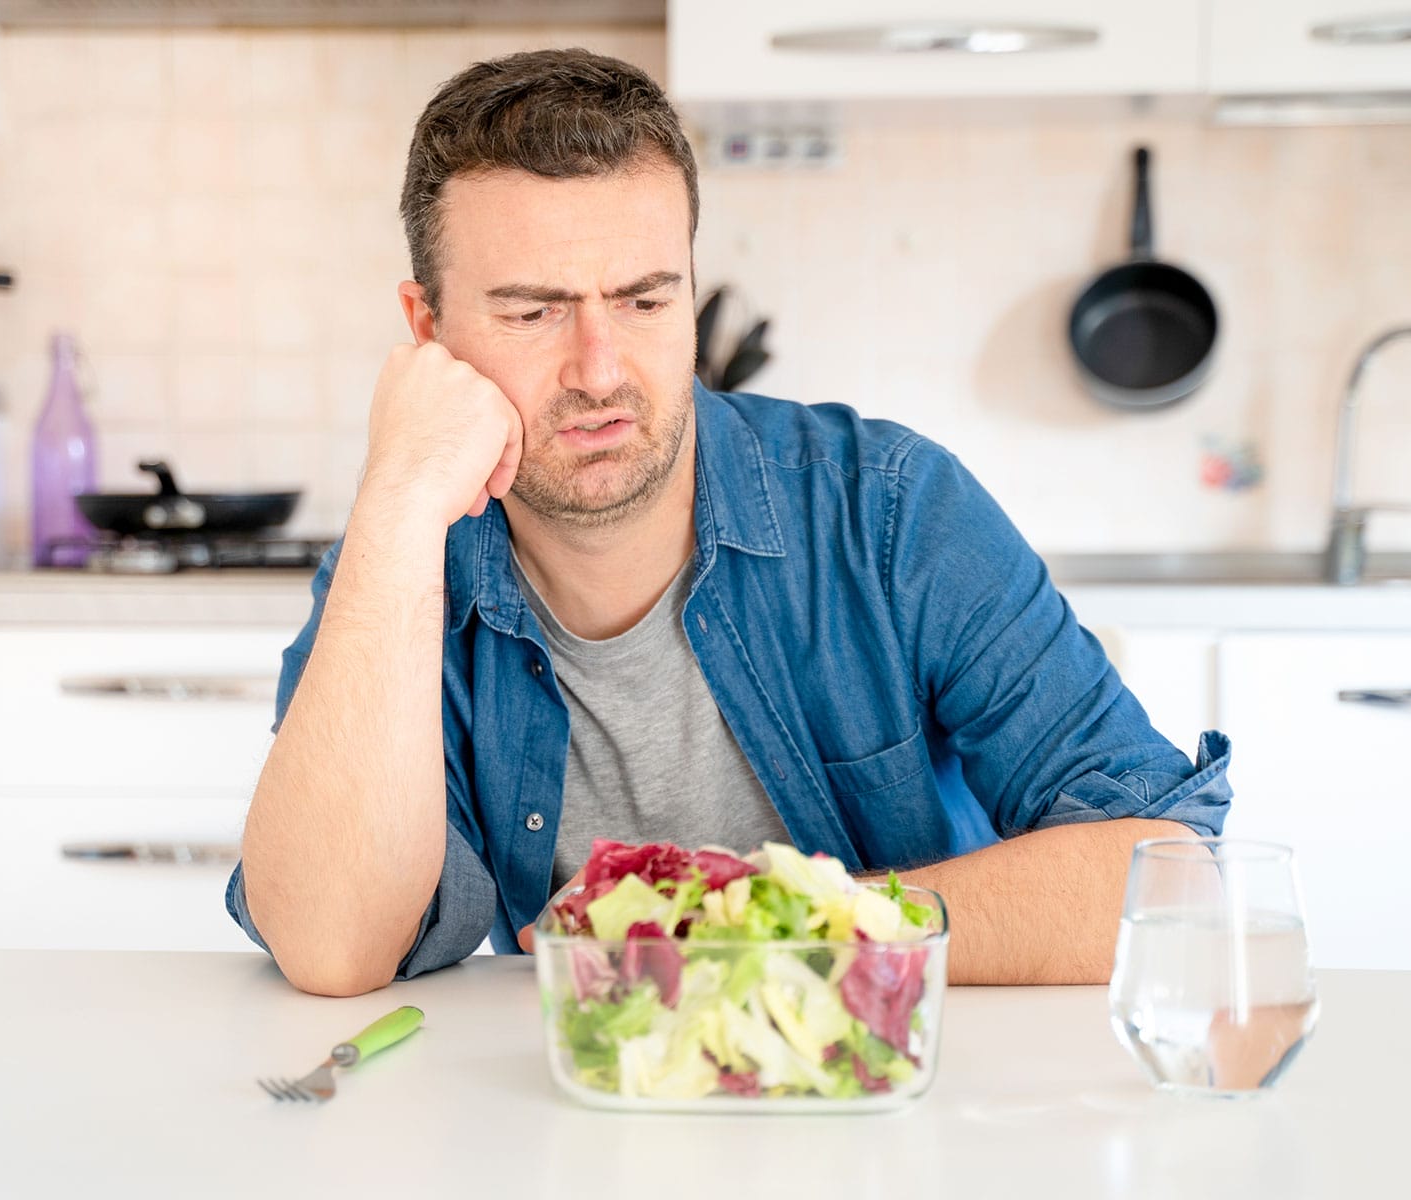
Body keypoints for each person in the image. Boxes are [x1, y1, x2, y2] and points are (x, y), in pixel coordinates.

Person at [226, 48, 1232, 998]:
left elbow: (1166, 878)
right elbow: (332, 946)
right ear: (427, 330)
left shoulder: (887, 512)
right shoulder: (407, 563)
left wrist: (750, 923)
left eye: (644, 301)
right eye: (532, 313)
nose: (600, 369)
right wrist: (397, 503)